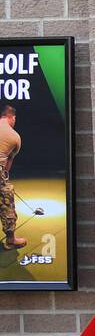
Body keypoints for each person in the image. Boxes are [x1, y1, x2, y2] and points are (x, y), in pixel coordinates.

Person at [0, 105, 24, 252]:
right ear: (12, 117)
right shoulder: (15, 137)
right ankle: (11, 240)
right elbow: (7, 166)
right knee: (6, 200)